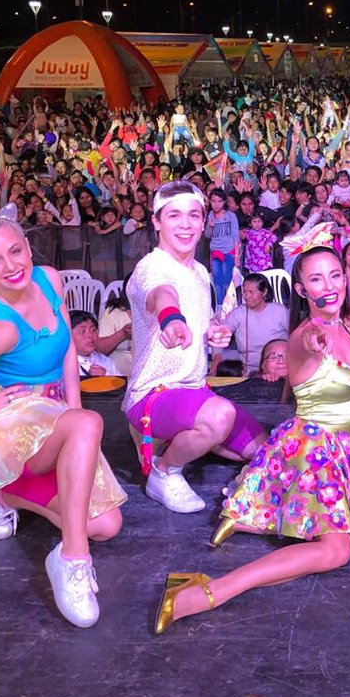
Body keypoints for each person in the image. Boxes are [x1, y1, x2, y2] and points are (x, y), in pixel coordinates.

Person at [153, 243, 350, 634]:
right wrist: (312, 344)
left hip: (348, 452)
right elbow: (305, 351)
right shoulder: (303, 337)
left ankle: (264, 516)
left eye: (335, 275)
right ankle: (205, 590)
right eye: (316, 278)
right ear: (302, 289)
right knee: (336, 551)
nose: (330, 286)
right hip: (315, 452)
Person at [0, 206, 126, 628]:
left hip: (55, 418)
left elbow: (67, 344)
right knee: (87, 428)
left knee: (108, 524)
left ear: (28, 247)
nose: (11, 266)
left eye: (15, 251)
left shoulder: (48, 278)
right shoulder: (0, 327)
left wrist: (73, 404)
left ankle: (4, 495)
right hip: (15, 424)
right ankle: (71, 560)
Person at [123, 181, 268, 514]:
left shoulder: (201, 272)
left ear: (205, 222)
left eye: (193, 216)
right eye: (174, 216)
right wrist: (171, 321)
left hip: (194, 392)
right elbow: (163, 296)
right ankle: (163, 470)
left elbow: (200, 323)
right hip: (153, 395)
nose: (185, 224)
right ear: (157, 221)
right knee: (220, 416)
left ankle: (189, 438)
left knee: (264, 450)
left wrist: (212, 332)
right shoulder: (152, 267)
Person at [217, 272, 290, 376]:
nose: (247, 296)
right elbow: (220, 336)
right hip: (247, 371)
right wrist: (216, 359)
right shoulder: (238, 313)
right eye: (244, 292)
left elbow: (296, 338)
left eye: (251, 292)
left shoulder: (281, 312)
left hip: (277, 370)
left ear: (264, 292)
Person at [71, 310, 123, 377]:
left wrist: (107, 375)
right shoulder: (62, 365)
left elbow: (122, 384)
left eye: (93, 330)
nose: (90, 335)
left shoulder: (105, 362)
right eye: (82, 331)